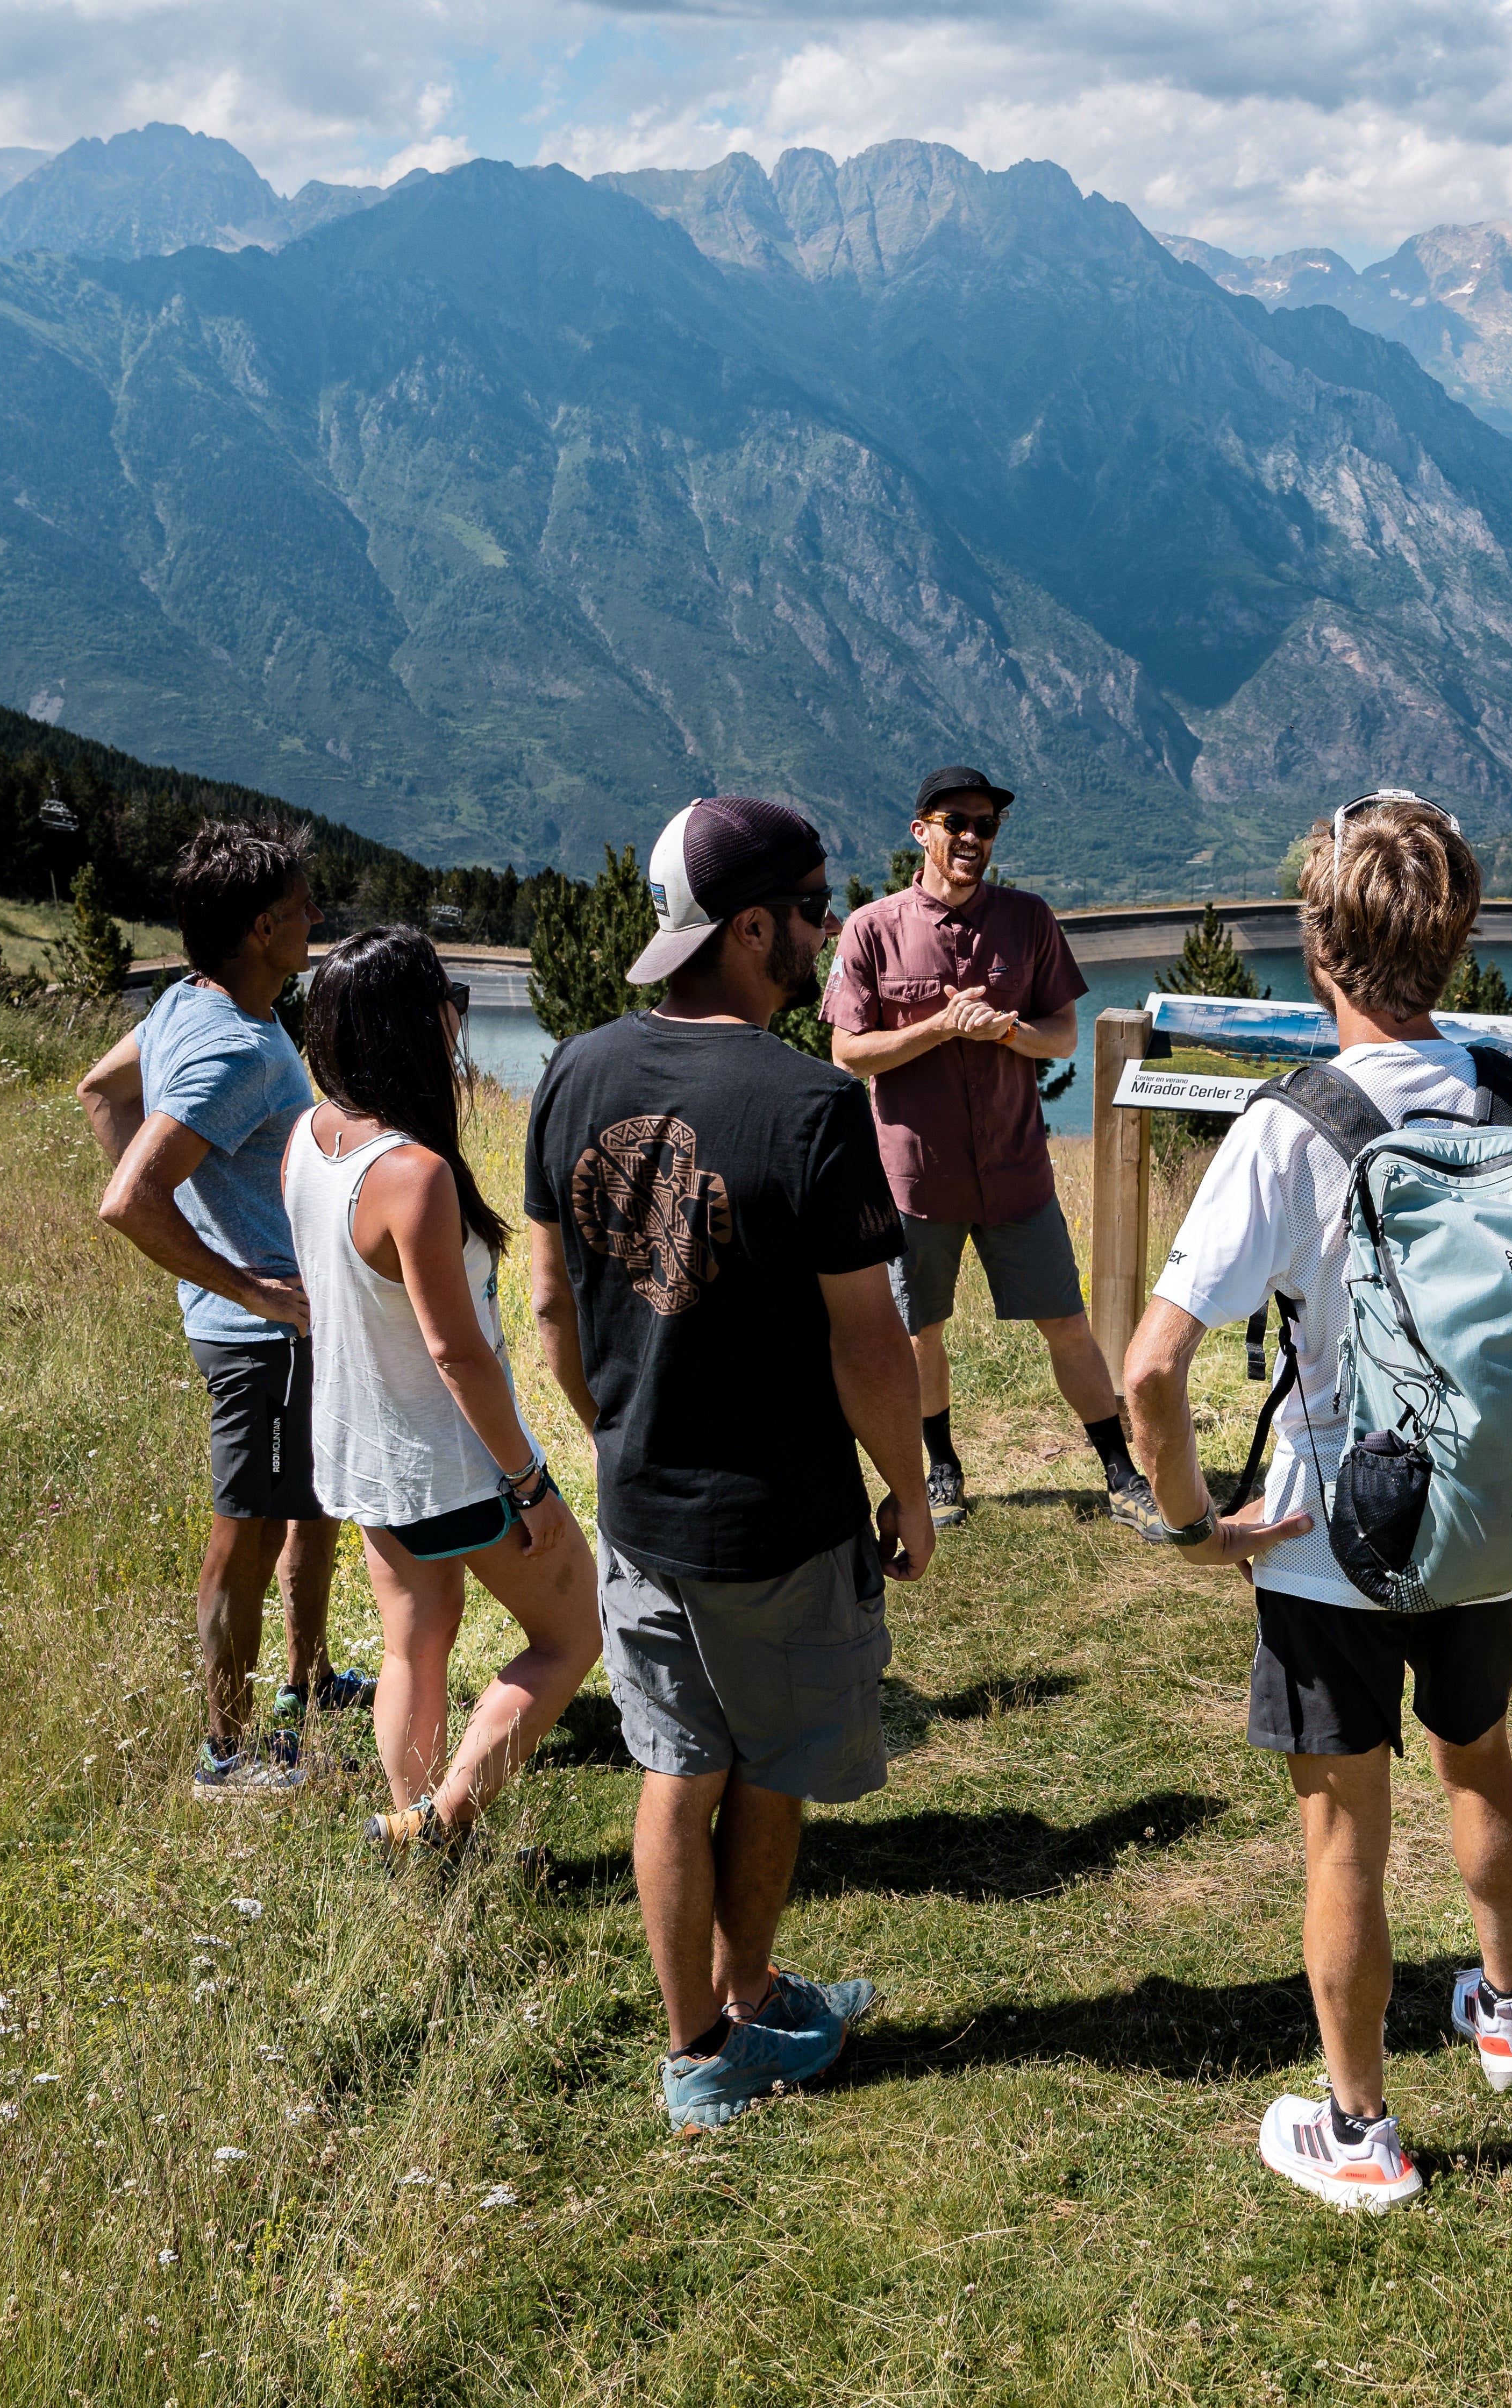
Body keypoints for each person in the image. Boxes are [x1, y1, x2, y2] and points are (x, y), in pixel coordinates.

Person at [1121, 791, 1512, 2213]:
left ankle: (1359, 2127)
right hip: (1483, 1517)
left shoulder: (1290, 1126)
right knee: (1480, 1760)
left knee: (1344, 1834)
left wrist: (1198, 1521)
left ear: (1319, 949)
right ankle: (1504, 2008)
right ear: (1456, 939)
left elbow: (1151, 1369)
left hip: (1327, 1539)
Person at [526, 795, 935, 2134]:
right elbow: (869, 1348)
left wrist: (614, 1427)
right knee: (770, 1762)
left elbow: (546, 1304)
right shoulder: (815, 1106)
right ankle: (748, 2002)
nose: (827, 929)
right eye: (815, 908)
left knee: (672, 1763)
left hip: (640, 1505)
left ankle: (692, 2045)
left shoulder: (572, 1070)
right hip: (780, 1518)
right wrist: (911, 1489)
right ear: (752, 926)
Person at [287, 925, 604, 1860]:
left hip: (365, 1456)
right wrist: (531, 1485)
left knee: (411, 1645)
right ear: (412, 1025)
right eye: (445, 1000)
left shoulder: (309, 1144)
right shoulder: (414, 1176)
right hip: (453, 1468)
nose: (456, 1017)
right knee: (574, 1629)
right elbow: (457, 1353)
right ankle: (440, 1821)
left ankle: (423, 1834)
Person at [77, 823, 366, 1798]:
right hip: (262, 1334)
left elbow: (99, 1091)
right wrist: (244, 1283)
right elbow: (127, 1199)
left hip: (278, 1327)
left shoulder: (189, 1003)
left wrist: (198, 1239)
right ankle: (226, 1755)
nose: (317, 917)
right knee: (241, 1531)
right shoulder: (236, 1046)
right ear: (259, 927)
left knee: (310, 1503)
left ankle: (309, 1680)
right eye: (301, 906)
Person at [823, 765, 1157, 1536]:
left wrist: (1004, 1028)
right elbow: (848, 1052)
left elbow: (1063, 1035)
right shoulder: (871, 928)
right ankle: (941, 1468)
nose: (974, 837)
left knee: (1068, 1323)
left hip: (1016, 1174)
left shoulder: (1030, 919)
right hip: (915, 1182)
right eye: (958, 822)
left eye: (988, 825)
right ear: (923, 831)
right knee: (921, 1332)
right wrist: (940, 1028)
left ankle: (1120, 1472)